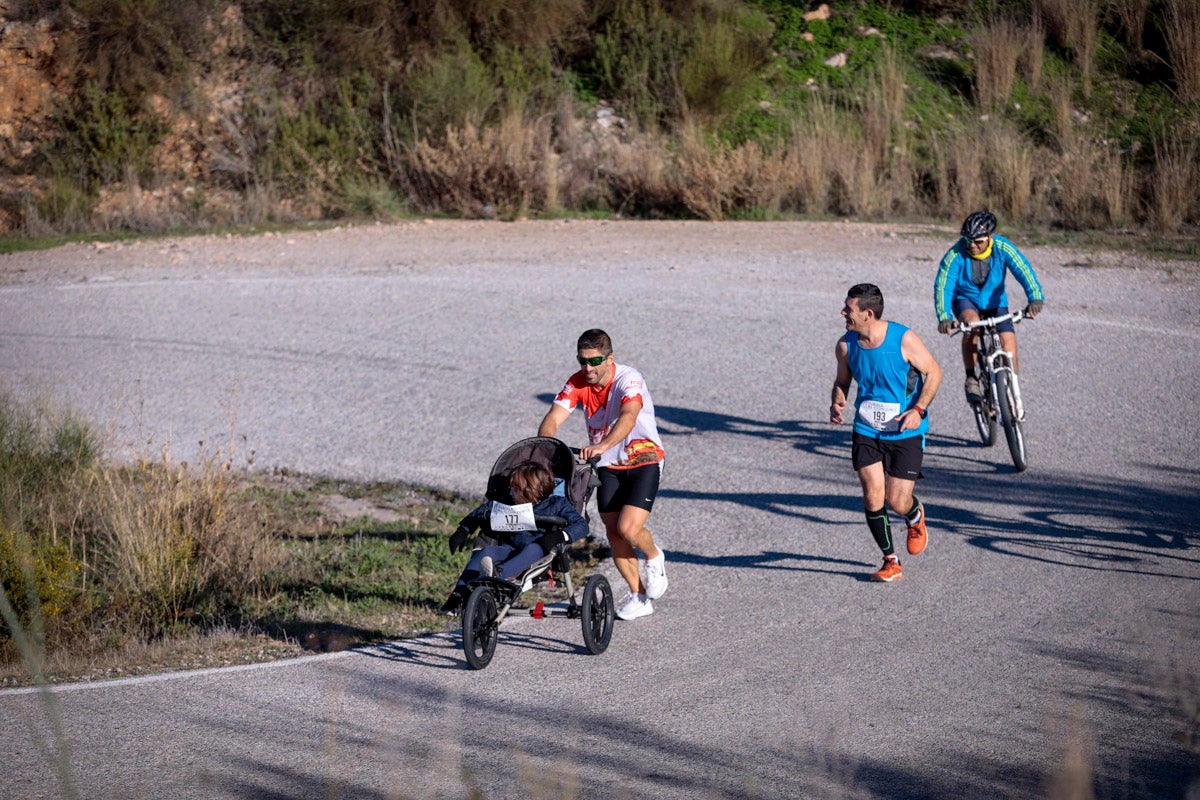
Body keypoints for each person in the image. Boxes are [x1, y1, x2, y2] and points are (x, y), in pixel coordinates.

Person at [537, 329, 667, 620]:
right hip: (608, 465)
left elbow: (629, 416)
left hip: (643, 458)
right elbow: (554, 417)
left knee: (629, 529)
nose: (588, 368)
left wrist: (602, 445)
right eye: (583, 361)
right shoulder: (578, 381)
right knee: (613, 533)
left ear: (611, 358)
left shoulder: (629, 379)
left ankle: (654, 555)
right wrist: (544, 448)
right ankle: (639, 596)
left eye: (595, 361)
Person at [831, 283, 943, 582]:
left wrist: (918, 410)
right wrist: (837, 399)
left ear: (868, 314)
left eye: (849, 309)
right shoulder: (846, 345)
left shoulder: (903, 339)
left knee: (897, 501)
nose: (843, 312)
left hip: (904, 431)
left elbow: (934, 372)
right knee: (872, 497)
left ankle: (915, 515)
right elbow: (843, 380)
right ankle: (890, 560)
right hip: (866, 429)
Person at [440, 460, 588, 615]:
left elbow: (581, 525)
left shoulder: (556, 504)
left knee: (533, 548)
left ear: (531, 490)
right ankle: (459, 595)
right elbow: (483, 511)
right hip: (510, 547)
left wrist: (558, 536)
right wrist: (463, 530)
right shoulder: (508, 502)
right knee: (486, 552)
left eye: (515, 489)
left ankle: (498, 576)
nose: (511, 492)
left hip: (540, 549)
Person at [934, 210, 1045, 404]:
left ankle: (1012, 388)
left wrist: (1035, 298)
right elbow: (943, 285)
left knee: (1009, 345)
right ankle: (971, 377)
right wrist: (944, 316)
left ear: (990, 237)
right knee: (972, 325)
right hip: (965, 299)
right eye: (969, 241)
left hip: (996, 303)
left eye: (978, 241)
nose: (973, 246)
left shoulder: (1003, 247)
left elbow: (1023, 269)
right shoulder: (955, 254)